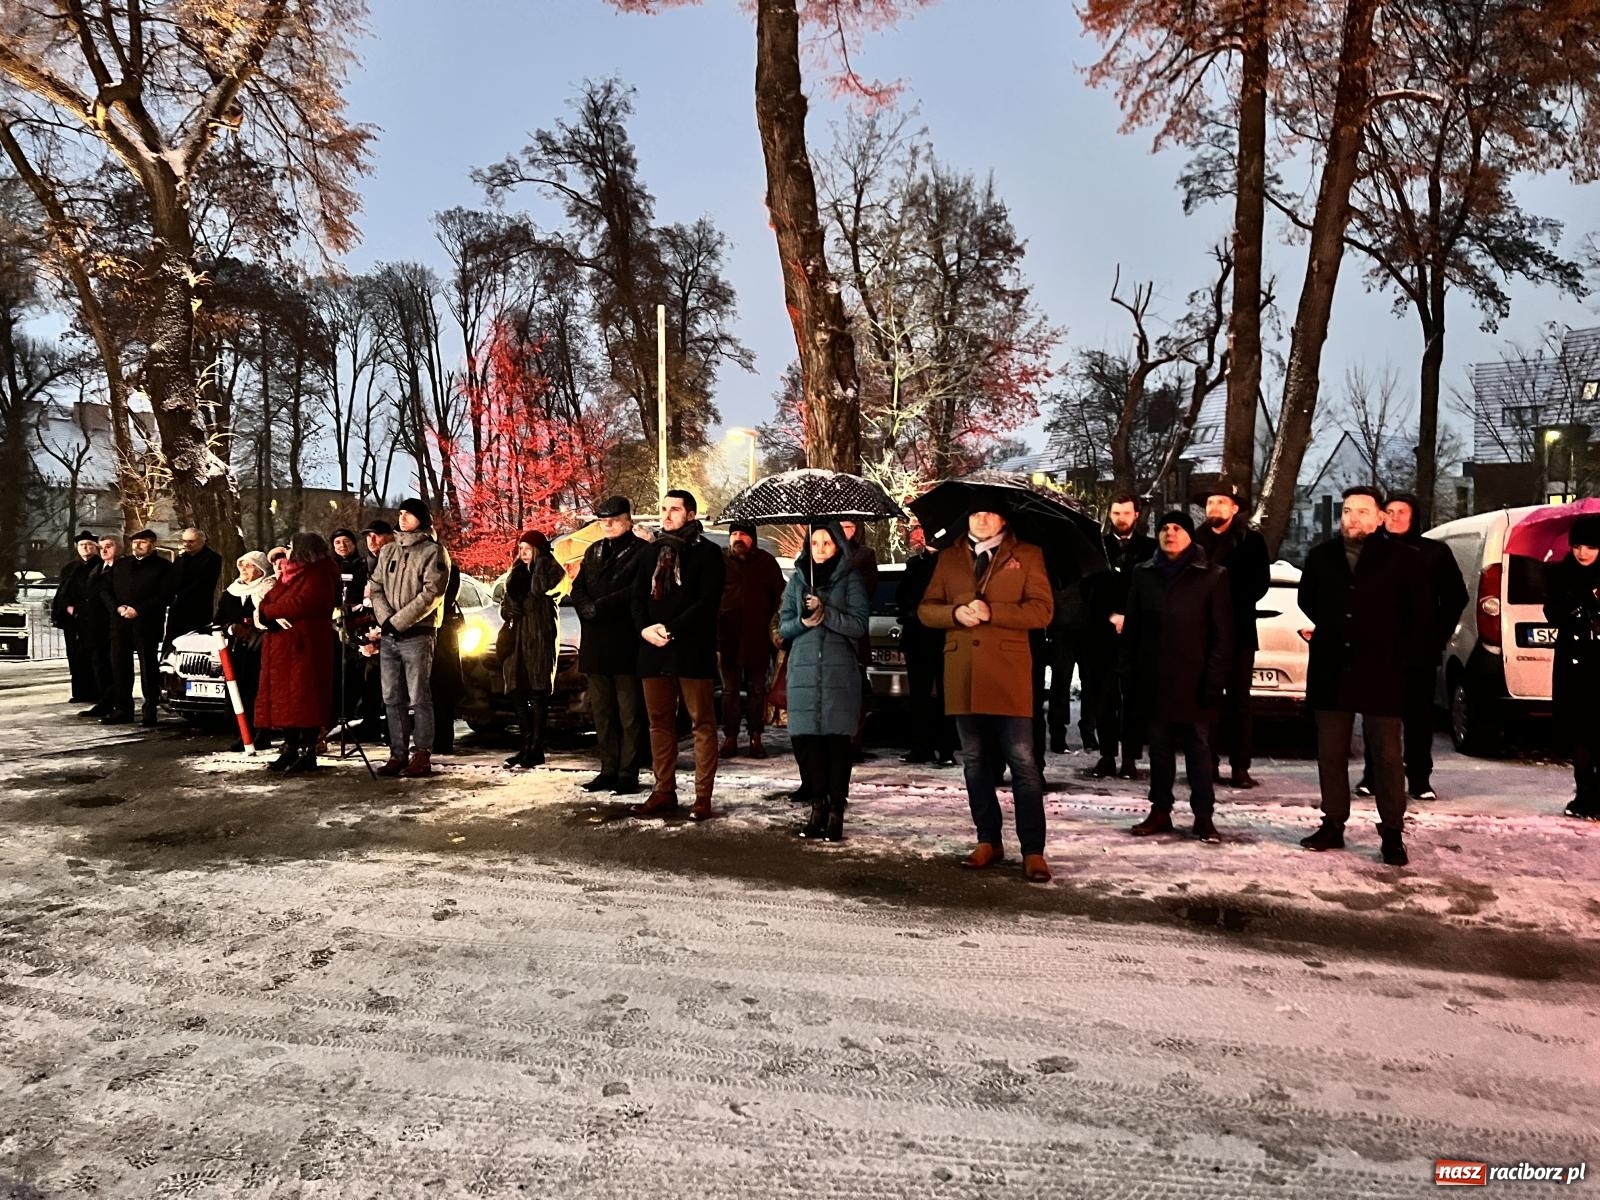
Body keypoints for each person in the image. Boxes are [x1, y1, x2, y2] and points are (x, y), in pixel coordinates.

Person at [918, 506, 1055, 883]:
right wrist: (955, 614)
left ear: (1004, 520)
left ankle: (1033, 850)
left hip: (1008, 676)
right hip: (964, 674)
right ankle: (988, 840)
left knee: (1023, 764)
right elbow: (926, 610)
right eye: (975, 513)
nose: (980, 519)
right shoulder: (948, 557)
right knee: (975, 762)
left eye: (989, 514)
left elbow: (1042, 611)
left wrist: (993, 611)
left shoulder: (1027, 555)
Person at [1297, 486, 1430, 867]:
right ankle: (1333, 822)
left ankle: (1392, 831)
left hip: (1382, 669)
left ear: (1379, 518)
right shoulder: (1321, 557)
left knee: (1388, 756)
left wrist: (1397, 649)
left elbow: (1418, 612)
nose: (1352, 519)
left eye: (1362, 512)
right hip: (1332, 667)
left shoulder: (1402, 558)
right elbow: (1308, 599)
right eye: (1347, 511)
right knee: (1331, 753)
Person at [1118, 511, 1232, 841]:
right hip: (1154, 678)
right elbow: (1133, 628)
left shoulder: (1212, 575)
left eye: (1177, 528)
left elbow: (1222, 635)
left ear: (1190, 535)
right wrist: (1127, 671)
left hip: (1195, 679)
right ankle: (1160, 811)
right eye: (1165, 528)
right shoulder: (1144, 573)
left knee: (1199, 750)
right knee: (1159, 750)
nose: (1170, 533)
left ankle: (1203, 815)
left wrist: (1214, 680)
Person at [1354, 493, 1468, 802]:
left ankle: (1419, 779)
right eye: (1389, 511)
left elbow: (1456, 596)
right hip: (1377, 650)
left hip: (1419, 650)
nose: (1395, 517)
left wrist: (1438, 634)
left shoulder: (1434, 552)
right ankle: (1372, 775)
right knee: (1377, 715)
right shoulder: (1370, 550)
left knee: (1419, 717)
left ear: (1414, 515)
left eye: (1401, 511)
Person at [631, 489, 725, 820]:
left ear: (691, 515)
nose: (667, 514)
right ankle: (663, 790)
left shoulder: (708, 553)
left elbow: (707, 602)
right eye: (664, 508)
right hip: (653, 650)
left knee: (701, 723)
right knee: (659, 723)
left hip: (690, 649)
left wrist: (671, 630)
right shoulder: (649, 553)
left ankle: (702, 796)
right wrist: (644, 628)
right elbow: (636, 598)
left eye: (675, 509)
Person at [780, 522, 869, 842]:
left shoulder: (851, 578)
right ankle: (816, 807)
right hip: (803, 672)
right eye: (814, 542)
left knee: (836, 744)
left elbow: (859, 625)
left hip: (837, 673)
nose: (820, 549)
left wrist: (827, 612)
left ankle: (836, 812)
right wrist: (804, 620)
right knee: (811, 743)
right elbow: (784, 627)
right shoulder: (797, 581)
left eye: (826, 543)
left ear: (838, 547)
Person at [1192, 480, 1271, 788]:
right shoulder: (1194, 541)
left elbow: (1259, 584)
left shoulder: (1251, 541)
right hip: (1200, 634)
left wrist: (1225, 599)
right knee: (1204, 700)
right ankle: (1205, 763)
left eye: (1221, 503)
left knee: (1239, 702)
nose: (1215, 508)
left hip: (1238, 632)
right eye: (1210, 504)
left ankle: (1240, 766)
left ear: (1234, 508)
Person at [367, 498, 451, 779]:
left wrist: (399, 621)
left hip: (418, 634)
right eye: (401, 513)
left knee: (419, 696)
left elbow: (432, 593)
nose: (403, 518)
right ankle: (397, 753)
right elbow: (376, 586)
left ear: (422, 519)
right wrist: (386, 620)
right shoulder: (388, 550)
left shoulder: (433, 552)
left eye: (409, 514)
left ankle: (422, 753)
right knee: (392, 696)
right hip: (390, 635)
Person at [571, 496, 649, 795]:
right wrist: (585, 607)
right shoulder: (594, 551)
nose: (607, 524)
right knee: (601, 713)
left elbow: (636, 591)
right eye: (603, 519)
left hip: (626, 642)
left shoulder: (643, 552)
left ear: (628, 519)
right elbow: (578, 588)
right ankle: (608, 768)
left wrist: (599, 606)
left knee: (629, 713)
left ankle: (628, 771)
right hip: (596, 644)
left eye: (613, 519)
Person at [255, 533, 339, 773]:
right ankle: (290, 748)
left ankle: (308, 751)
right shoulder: (290, 573)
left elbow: (301, 603)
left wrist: (268, 612)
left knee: (305, 698)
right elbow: (269, 599)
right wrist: (267, 613)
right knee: (287, 700)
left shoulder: (320, 574)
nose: (287, 551)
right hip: (284, 647)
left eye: (291, 547)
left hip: (305, 646)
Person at [1090, 495, 1157, 779]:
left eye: (1126, 513)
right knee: (1103, 698)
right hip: (1102, 634)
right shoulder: (1097, 547)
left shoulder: (1151, 549)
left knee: (1134, 699)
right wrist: (1110, 615)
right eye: (1116, 512)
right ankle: (1106, 754)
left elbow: (1154, 589)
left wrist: (1132, 617)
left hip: (1138, 635)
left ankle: (1130, 757)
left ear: (1136, 515)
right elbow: (1088, 587)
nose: (1120, 518)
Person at [1543, 514, 1600, 820]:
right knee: (1578, 731)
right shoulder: (1561, 574)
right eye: (1578, 545)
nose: (1583, 553)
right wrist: (1577, 601)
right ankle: (1583, 794)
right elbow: (1551, 612)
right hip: (1573, 665)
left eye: (1591, 546)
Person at [718, 520, 785, 759]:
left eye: (743, 534)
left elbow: (780, 599)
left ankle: (756, 737)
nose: (738, 538)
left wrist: (776, 630)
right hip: (727, 638)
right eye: (734, 534)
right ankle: (730, 738)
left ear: (752, 538)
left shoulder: (766, 563)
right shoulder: (720, 561)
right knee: (729, 691)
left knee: (757, 691)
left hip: (758, 638)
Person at [498, 530, 565, 769]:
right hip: (516, 640)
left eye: (528, 548)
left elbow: (541, 589)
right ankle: (525, 745)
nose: (523, 553)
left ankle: (536, 748)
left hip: (539, 637)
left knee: (538, 693)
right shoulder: (515, 574)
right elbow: (505, 605)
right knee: (516, 690)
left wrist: (540, 564)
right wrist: (508, 610)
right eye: (520, 548)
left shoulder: (550, 570)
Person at [895, 526, 957, 766]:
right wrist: (912, 612)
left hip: (942, 636)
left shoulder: (950, 564)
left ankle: (945, 748)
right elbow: (902, 596)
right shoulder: (916, 564)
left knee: (945, 696)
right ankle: (924, 748)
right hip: (919, 635)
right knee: (921, 696)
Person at [107, 528, 176, 727]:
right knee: (120, 666)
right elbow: (106, 589)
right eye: (134, 542)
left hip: (147, 623)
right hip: (120, 623)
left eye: (143, 542)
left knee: (148, 667)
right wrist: (117, 607)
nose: (137, 545)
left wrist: (139, 610)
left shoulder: (163, 567)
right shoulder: (121, 565)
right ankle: (122, 709)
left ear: (152, 544)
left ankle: (150, 709)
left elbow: (165, 596)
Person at [215, 551, 275, 752]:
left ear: (260, 569)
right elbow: (219, 620)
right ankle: (243, 733)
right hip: (238, 650)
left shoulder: (268, 589)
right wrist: (232, 628)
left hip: (262, 649)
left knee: (259, 692)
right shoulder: (231, 592)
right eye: (242, 565)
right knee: (239, 693)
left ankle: (262, 734)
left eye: (250, 566)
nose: (244, 570)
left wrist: (257, 630)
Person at [840, 519, 880, 760]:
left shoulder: (865, 554)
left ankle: (854, 739)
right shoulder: (823, 550)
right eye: (843, 525)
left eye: (851, 526)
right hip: (830, 629)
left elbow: (868, 590)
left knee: (856, 686)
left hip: (854, 628)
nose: (847, 531)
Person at [51, 530, 101, 704]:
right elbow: (63, 592)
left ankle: (98, 692)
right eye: (81, 545)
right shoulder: (70, 568)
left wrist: (80, 608)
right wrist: (67, 607)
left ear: (96, 547)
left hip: (93, 618)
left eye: (88, 545)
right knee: (75, 655)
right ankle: (80, 692)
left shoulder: (100, 566)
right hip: (72, 619)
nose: (85, 548)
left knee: (94, 655)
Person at [76, 535, 121, 719]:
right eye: (101, 547)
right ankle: (104, 701)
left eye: (108, 546)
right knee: (99, 665)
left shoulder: (121, 569)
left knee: (113, 666)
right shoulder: (97, 569)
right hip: (94, 625)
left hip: (112, 624)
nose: (103, 550)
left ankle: (115, 702)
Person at [329, 528, 368, 728]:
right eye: (337, 543)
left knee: (354, 672)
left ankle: (353, 713)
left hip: (356, 625)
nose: (342, 546)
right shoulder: (329, 567)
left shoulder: (363, 565)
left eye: (346, 541)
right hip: (332, 627)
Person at [164, 526, 223, 647]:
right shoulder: (181, 558)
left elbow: (204, 583)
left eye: (191, 541)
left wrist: (179, 595)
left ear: (202, 541)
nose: (186, 544)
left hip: (198, 608)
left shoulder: (212, 558)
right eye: (184, 541)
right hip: (177, 609)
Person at [431, 559, 464, 755]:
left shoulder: (449, 570)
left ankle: (442, 741)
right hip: (442, 637)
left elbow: (446, 597)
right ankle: (437, 739)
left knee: (441, 690)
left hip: (442, 637)